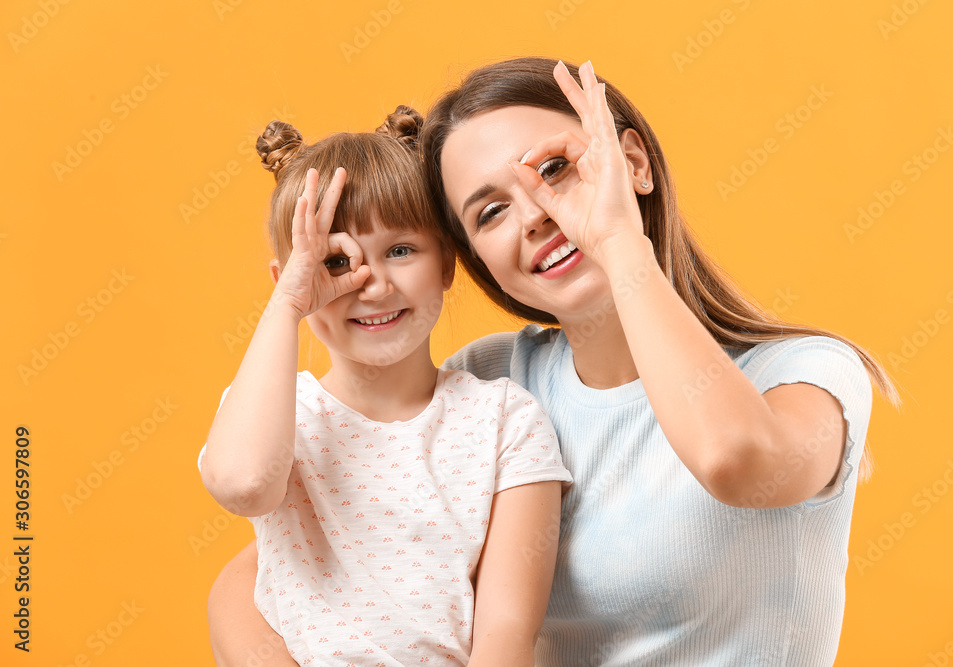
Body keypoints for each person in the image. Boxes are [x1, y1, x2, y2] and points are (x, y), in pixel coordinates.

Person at [208, 59, 898, 666]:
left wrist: (615, 235)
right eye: (490, 212)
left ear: (633, 162)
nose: (536, 214)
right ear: (470, 262)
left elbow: (734, 460)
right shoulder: (491, 382)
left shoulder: (809, 374)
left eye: (555, 170)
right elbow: (270, 570)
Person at [198, 107, 572, 666]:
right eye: (334, 260)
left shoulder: (503, 420)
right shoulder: (275, 410)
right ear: (289, 281)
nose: (372, 284)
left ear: (447, 262)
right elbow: (245, 485)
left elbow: (507, 636)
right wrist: (288, 307)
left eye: (400, 250)